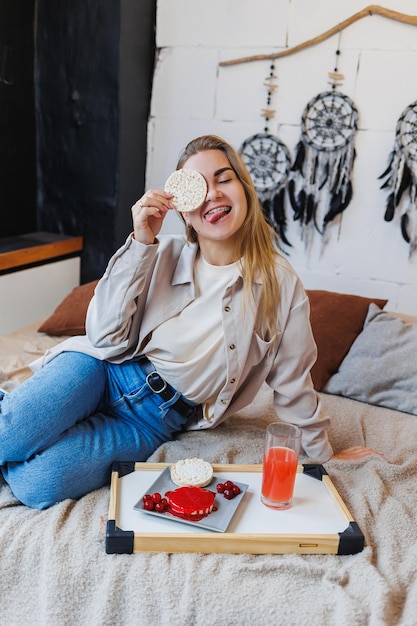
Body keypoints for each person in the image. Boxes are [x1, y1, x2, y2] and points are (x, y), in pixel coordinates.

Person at [0, 135, 382, 509]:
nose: (213, 193)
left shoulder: (280, 283)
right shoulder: (157, 253)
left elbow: (293, 383)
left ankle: (25, 418)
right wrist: (140, 243)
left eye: (223, 178)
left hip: (154, 422)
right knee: (10, 436)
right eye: (199, 186)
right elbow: (102, 335)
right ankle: (19, 418)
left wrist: (323, 458)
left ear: (244, 189)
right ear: (183, 209)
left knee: (39, 484)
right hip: (103, 371)